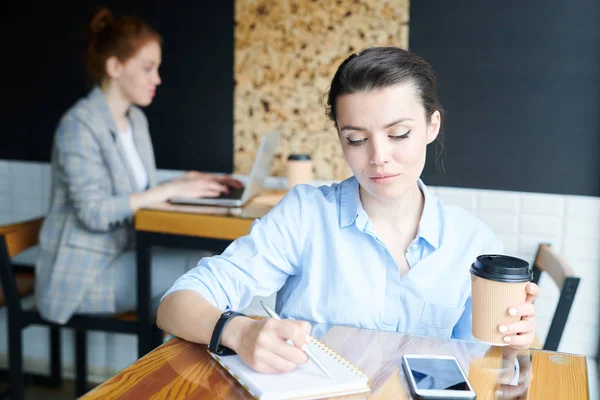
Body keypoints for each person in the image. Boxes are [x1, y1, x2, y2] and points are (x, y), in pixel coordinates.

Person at [156, 47, 539, 374]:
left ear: (431, 126)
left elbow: (483, 365)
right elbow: (176, 304)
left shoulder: (473, 243)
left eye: (399, 134)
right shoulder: (305, 215)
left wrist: (518, 343)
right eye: (355, 139)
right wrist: (238, 331)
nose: (378, 158)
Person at [35, 7, 242, 325]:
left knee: (194, 287)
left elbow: (135, 188)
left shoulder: (136, 121)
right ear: (114, 66)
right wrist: (170, 189)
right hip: (83, 278)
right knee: (201, 268)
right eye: (148, 68)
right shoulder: (79, 125)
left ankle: (177, 371)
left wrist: (184, 181)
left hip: (127, 255)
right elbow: (95, 212)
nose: (157, 79)